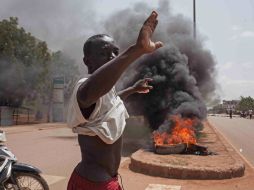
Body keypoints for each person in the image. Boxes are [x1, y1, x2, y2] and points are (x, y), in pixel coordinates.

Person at [67, 11, 163, 190]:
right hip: (95, 184)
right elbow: (86, 96)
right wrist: (136, 50)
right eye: (105, 53)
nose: (113, 57)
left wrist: (132, 89)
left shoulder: (105, 92)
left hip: (100, 180)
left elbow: (112, 102)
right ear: (87, 61)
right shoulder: (84, 86)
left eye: (115, 53)